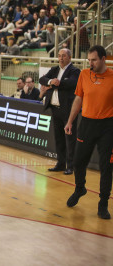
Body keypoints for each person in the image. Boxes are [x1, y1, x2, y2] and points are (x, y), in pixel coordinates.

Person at [64, 45, 113, 219]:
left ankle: (103, 203)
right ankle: (80, 188)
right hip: (86, 124)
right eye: (89, 60)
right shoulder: (84, 75)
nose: (90, 63)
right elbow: (78, 98)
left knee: (106, 166)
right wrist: (70, 121)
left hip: (108, 127)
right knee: (78, 162)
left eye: (94, 60)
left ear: (103, 59)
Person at [39, 48, 80, 175]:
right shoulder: (54, 70)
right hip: (55, 109)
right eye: (59, 56)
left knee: (70, 139)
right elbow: (42, 79)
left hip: (68, 110)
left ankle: (70, 166)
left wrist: (52, 84)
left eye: (63, 56)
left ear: (69, 57)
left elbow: (71, 84)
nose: (61, 58)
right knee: (59, 138)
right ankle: (61, 163)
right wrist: (51, 81)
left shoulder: (75, 70)